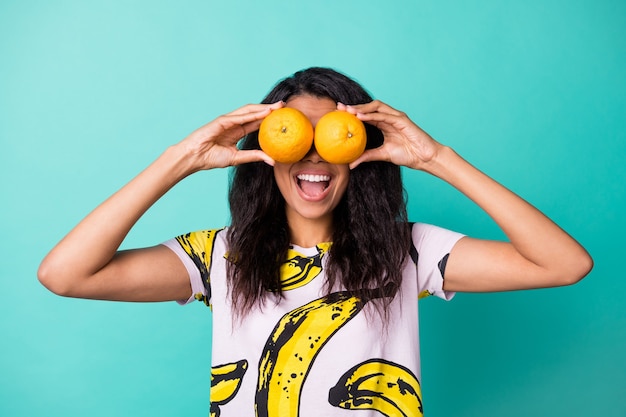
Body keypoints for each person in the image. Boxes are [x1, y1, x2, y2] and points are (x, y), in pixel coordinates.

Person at [38, 67, 593, 417]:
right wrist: (181, 160)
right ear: (266, 154)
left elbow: (565, 264)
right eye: (294, 137)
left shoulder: (409, 254)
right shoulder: (218, 258)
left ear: (356, 154)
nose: (313, 156)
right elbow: (65, 275)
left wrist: (437, 159)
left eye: (329, 138)